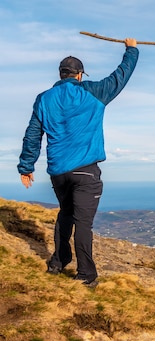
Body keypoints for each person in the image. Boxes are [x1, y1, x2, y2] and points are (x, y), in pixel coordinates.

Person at [17, 38, 139, 287]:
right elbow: (121, 76)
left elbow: (33, 133)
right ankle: (86, 275)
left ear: (61, 74)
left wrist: (27, 166)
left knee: (66, 214)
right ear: (80, 75)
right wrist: (132, 50)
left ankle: (58, 262)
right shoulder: (93, 92)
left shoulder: (44, 99)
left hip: (59, 173)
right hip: (85, 172)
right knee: (83, 223)